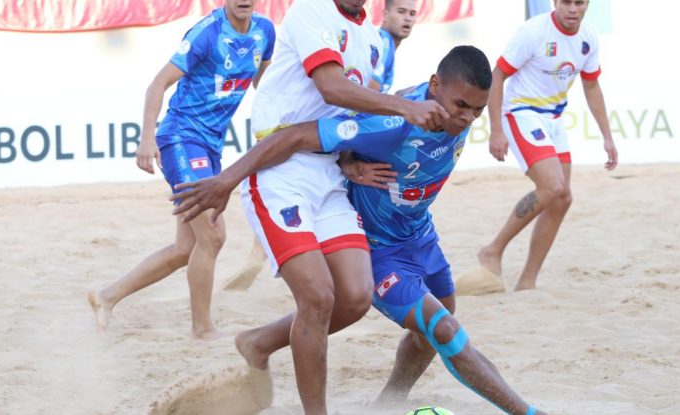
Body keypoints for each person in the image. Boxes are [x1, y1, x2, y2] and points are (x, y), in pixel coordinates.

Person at [173, 46, 548, 415]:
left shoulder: (432, 102)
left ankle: (377, 398)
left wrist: (350, 159)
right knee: (445, 329)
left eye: (477, 110)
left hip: (420, 236)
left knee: (433, 329)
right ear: (435, 86)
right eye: (461, 106)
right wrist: (226, 180)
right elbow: (296, 136)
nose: (466, 118)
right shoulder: (393, 124)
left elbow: (396, 96)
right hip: (379, 249)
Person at [191, 0, 447, 412]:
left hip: (329, 174)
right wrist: (407, 106)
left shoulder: (372, 41)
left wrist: (350, 161)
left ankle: (259, 342)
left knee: (355, 297)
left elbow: (347, 115)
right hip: (279, 170)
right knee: (317, 297)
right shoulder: (310, 9)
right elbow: (331, 87)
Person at [87, 0, 276, 339]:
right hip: (181, 138)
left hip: (209, 146)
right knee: (214, 236)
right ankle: (202, 328)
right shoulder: (207, 32)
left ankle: (106, 297)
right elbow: (157, 84)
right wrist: (147, 139)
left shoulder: (266, 31)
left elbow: (267, 86)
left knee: (185, 249)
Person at [478, 0, 617, 291]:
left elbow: (591, 86)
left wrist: (607, 135)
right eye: (566, 2)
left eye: (579, 3)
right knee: (552, 186)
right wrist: (496, 130)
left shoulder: (588, 37)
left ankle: (527, 281)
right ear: (555, 2)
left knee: (563, 198)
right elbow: (497, 76)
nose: (572, 9)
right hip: (519, 112)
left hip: (553, 118)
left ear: (587, 5)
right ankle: (493, 249)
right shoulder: (533, 32)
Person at [370, 0, 418, 93]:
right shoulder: (385, 44)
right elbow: (369, 93)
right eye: (401, 12)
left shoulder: (382, 40)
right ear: (385, 15)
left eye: (412, 14)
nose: (408, 18)